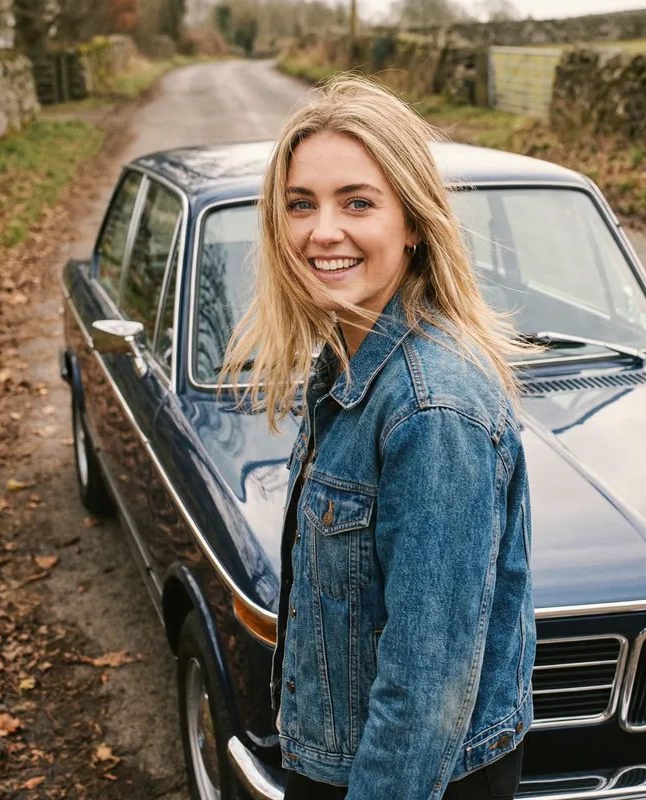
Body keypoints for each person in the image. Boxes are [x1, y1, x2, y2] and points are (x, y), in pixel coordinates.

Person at [221, 75, 535, 800]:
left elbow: (425, 696)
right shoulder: (349, 363)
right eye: (301, 204)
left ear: (413, 222)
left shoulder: (432, 407)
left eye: (357, 202)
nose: (321, 231)